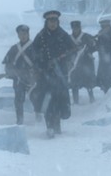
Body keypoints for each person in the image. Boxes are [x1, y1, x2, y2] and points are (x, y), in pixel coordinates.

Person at [30, 10, 77, 138]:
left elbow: (73, 50)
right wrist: (42, 63)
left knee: (60, 101)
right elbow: (33, 53)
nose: (52, 23)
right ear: (47, 22)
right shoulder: (41, 36)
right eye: (50, 21)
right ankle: (50, 127)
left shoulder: (63, 35)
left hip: (60, 75)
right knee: (47, 102)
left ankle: (57, 127)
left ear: (57, 22)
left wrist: (66, 61)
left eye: (54, 21)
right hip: (45, 75)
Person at [1, 24, 36, 125]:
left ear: (28, 34)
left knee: (36, 98)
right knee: (18, 101)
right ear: (18, 35)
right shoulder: (14, 49)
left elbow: (39, 63)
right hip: (18, 79)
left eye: (25, 33)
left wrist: (35, 73)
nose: (24, 35)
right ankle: (19, 121)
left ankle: (39, 117)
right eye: (21, 33)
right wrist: (10, 72)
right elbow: (7, 63)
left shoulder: (34, 47)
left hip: (32, 79)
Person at [67, 20, 96, 104]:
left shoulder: (87, 36)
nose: (75, 29)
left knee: (88, 82)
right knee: (74, 83)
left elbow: (94, 47)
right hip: (74, 64)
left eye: (77, 27)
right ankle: (76, 101)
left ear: (80, 28)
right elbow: (66, 50)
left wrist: (88, 48)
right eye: (74, 28)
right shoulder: (69, 38)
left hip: (86, 63)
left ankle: (92, 98)